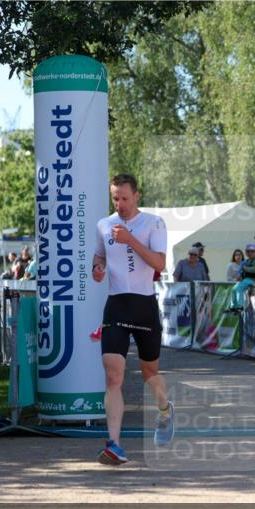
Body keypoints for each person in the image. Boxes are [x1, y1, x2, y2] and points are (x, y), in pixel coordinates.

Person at [92, 173, 174, 466]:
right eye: (115, 198)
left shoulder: (153, 223)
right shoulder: (104, 225)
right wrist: (97, 269)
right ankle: (114, 444)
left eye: (125, 198)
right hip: (116, 306)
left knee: (150, 373)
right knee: (113, 375)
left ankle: (165, 410)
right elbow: (98, 258)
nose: (120, 204)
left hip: (143, 306)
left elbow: (159, 264)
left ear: (137, 196)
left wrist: (130, 240)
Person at [229, 243, 255, 310]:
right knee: (233, 289)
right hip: (247, 279)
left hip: (253, 280)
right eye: (248, 251)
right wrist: (240, 276)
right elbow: (243, 271)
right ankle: (233, 306)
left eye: (252, 251)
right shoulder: (247, 260)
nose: (250, 253)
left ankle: (240, 306)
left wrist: (245, 268)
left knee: (239, 288)